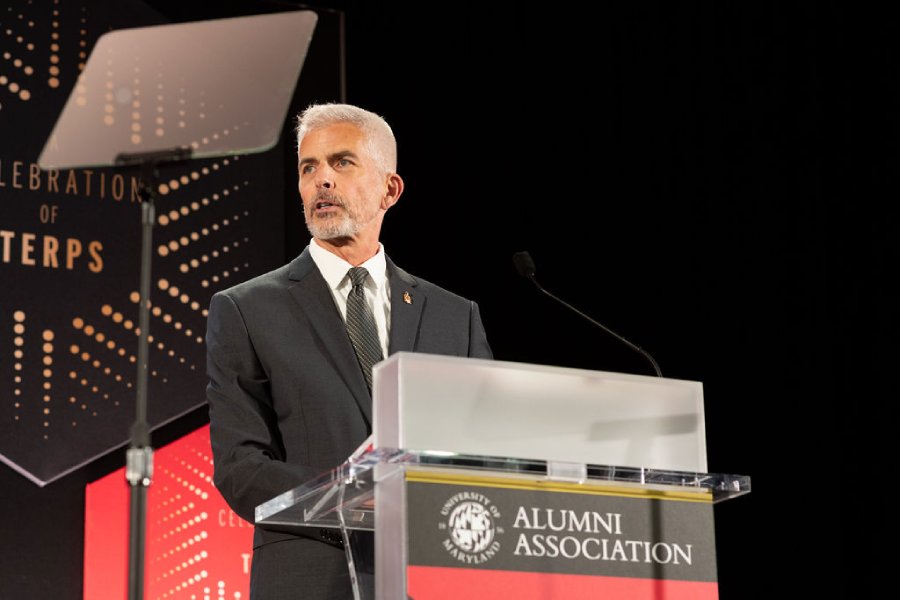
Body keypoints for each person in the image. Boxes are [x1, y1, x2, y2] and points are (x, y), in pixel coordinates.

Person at [205, 102, 493, 599]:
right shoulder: (246, 310)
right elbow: (241, 467)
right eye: (308, 167)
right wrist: (359, 499)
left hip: (433, 576)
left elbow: (487, 452)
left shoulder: (455, 317)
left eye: (342, 162)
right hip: (311, 578)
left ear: (390, 189)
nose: (323, 181)